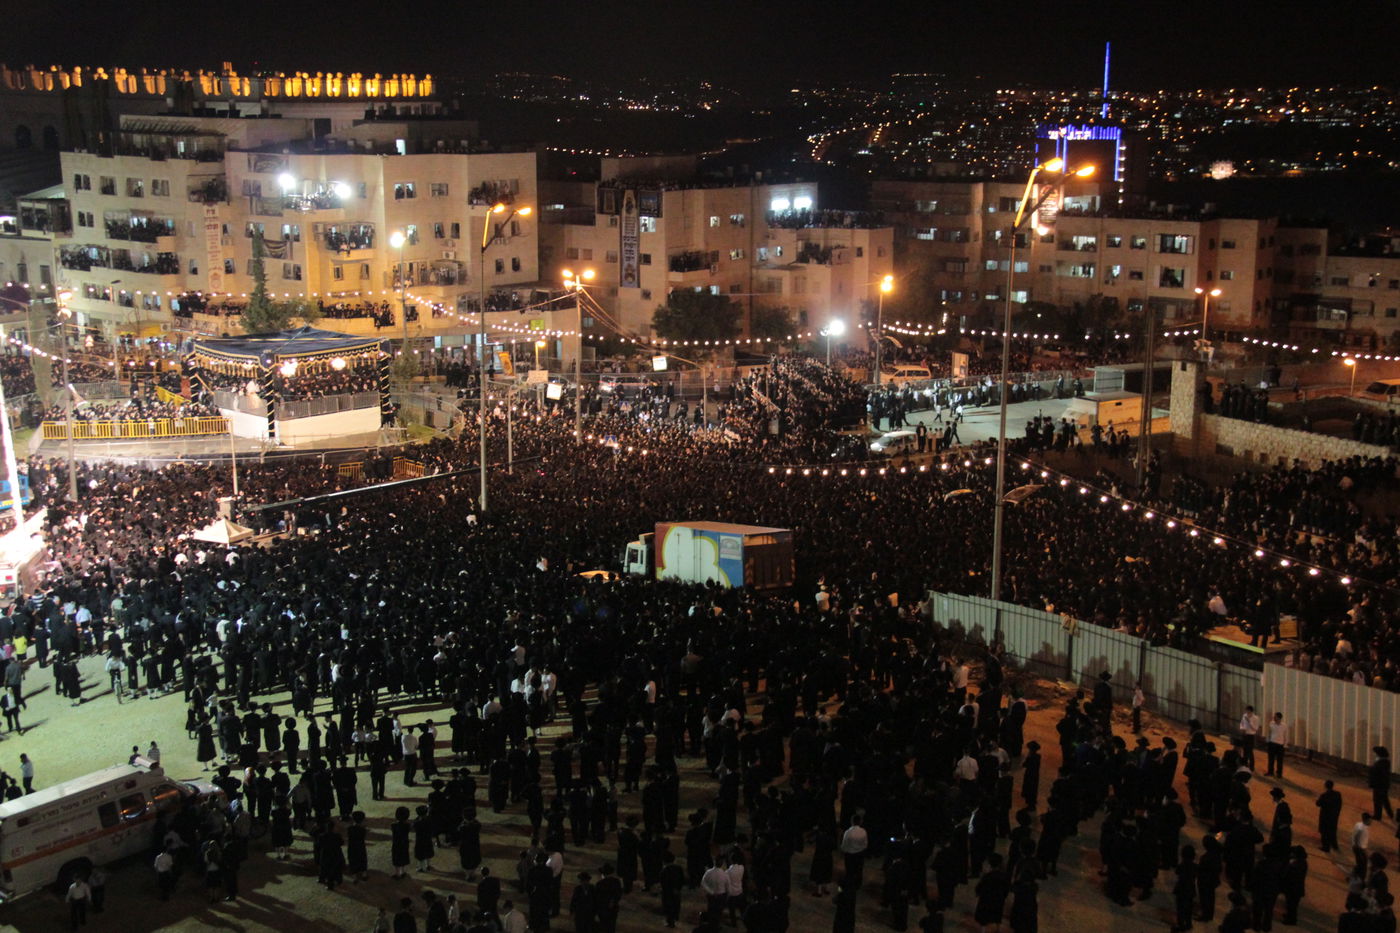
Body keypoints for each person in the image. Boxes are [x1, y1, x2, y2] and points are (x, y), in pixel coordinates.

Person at [1171, 845, 1196, 932]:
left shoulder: (1182, 865)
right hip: (1190, 889)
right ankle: (1188, 923)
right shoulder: (1195, 866)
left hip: (1181, 889)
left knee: (1180, 908)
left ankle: (1181, 924)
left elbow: (1177, 872)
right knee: (1189, 907)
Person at [1316, 780, 1342, 852]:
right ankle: (1334, 845)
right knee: (1333, 831)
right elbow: (1339, 804)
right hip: (1334, 816)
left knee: (1324, 832)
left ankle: (1326, 847)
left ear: (1325, 786)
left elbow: (1318, 803)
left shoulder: (1324, 795)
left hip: (1325, 816)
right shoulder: (1337, 794)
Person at [1370, 747, 1393, 821]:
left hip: (1379, 784)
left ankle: (1377, 815)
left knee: (1377, 800)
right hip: (1383, 784)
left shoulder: (1380, 762)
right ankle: (1390, 814)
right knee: (1384, 799)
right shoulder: (1385, 762)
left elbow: (1377, 773)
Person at [1237, 707, 1260, 771]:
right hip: (1244, 735)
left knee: (1250, 751)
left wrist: (1249, 721)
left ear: (1251, 711)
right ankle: (1245, 764)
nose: (1247, 712)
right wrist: (1242, 728)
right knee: (1244, 750)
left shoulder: (1256, 718)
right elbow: (1241, 723)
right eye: (1246, 711)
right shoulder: (1244, 715)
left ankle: (1252, 766)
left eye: (1248, 711)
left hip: (1250, 736)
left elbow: (1255, 728)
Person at [1264, 713, 1286, 778]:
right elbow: (1269, 732)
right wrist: (1267, 740)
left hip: (1280, 745)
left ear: (1279, 718)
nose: (1274, 718)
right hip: (1272, 743)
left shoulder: (1284, 725)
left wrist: (1285, 744)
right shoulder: (1271, 723)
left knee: (1280, 760)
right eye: (1274, 717)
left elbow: (1286, 735)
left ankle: (1279, 773)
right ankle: (1270, 772)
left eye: (1275, 717)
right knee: (1271, 759)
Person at [1352, 812, 1373, 876]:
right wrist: (1365, 852)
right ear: (1366, 820)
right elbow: (1358, 839)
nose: (1371, 822)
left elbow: (1355, 836)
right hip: (1360, 849)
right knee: (1363, 865)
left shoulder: (1358, 824)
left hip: (1357, 847)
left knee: (1359, 863)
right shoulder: (1363, 830)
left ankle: (1355, 874)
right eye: (1370, 820)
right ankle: (1359, 876)